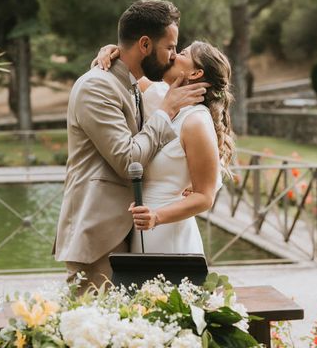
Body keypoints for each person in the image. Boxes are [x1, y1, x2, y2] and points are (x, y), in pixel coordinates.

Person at [53, 0, 209, 292]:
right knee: (96, 334)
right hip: (99, 237)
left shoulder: (133, 84)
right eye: (170, 47)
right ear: (146, 45)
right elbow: (128, 161)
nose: (173, 56)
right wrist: (167, 111)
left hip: (134, 236)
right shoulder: (96, 86)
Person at [95, 41, 234, 254]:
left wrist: (156, 217)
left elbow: (205, 197)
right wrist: (111, 51)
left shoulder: (196, 121)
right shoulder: (161, 97)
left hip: (169, 233)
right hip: (139, 231)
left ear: (196, 73)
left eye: (183, 53)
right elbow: (125, 69)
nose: (172, 55)